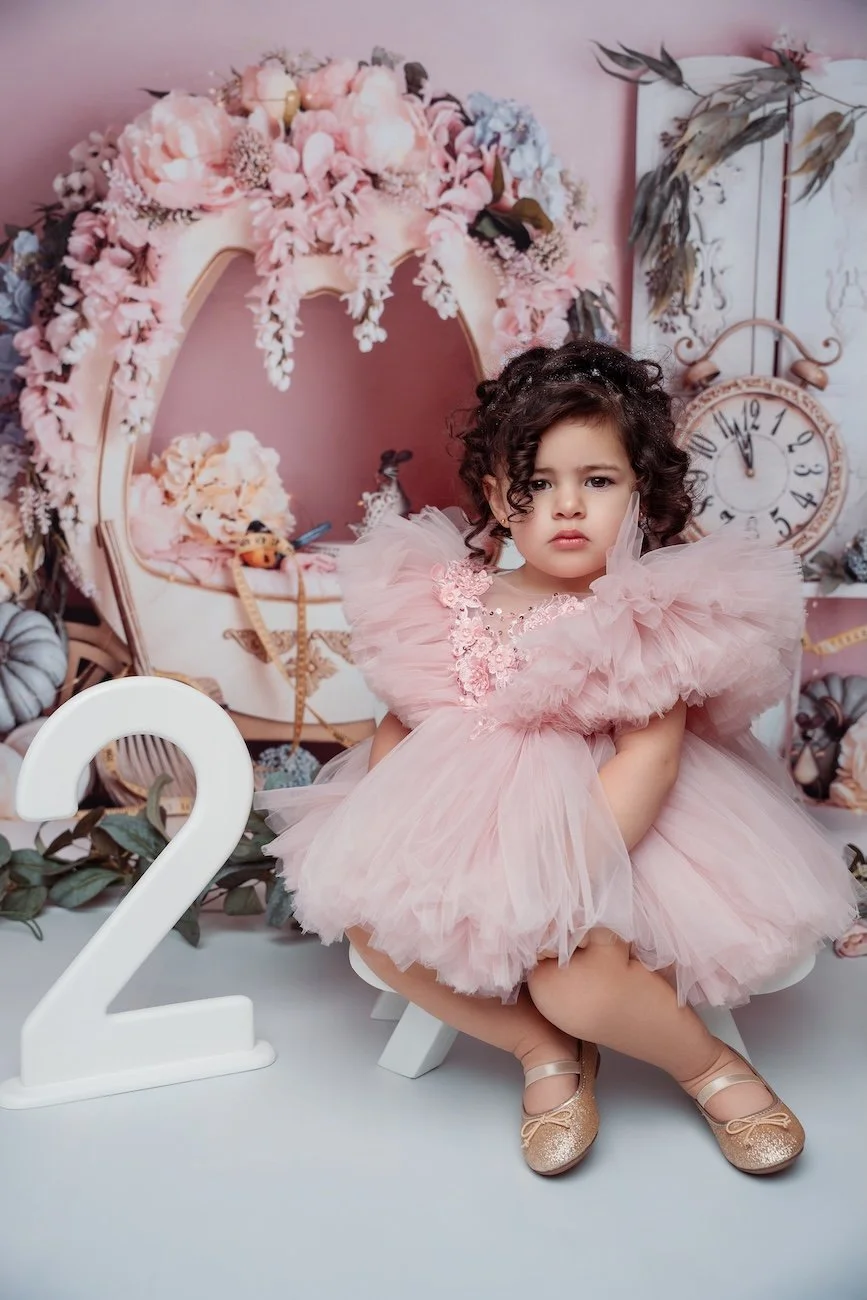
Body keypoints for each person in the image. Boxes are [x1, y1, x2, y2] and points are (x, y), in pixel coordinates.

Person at [258, 340, 859, 1178]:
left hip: (609, 838)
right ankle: (541, 1053)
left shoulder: (645, 612)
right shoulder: (452, 601)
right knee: (373, 921)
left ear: (640, 492)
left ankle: (708, 1066)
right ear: (502, 500)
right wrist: (388, 835)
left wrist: (555, 874)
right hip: (458, 819)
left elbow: (648, 760)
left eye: (597, 482)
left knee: (572, 976)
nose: (566, 507)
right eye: (538, 485)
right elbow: (410, 720)